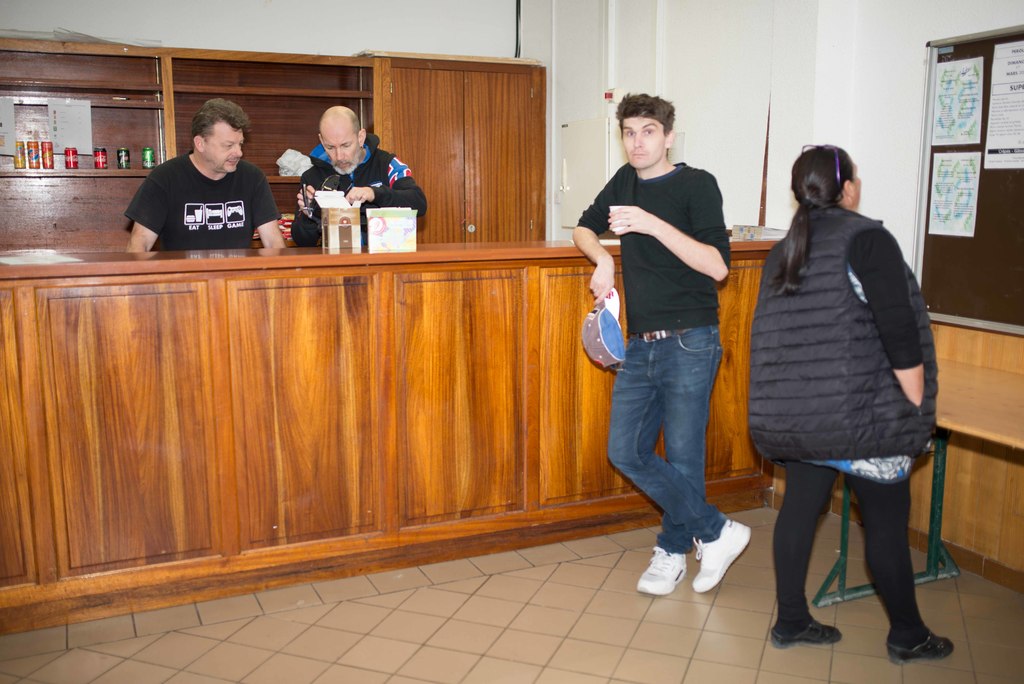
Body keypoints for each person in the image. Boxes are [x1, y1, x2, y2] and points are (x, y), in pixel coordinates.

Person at [748, 144, 954, 664]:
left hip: (801, 417)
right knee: (884, 526)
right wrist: (916, 405)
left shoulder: (783, 250)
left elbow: (773, 340)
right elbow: (899, 329)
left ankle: (791, 621)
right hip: (863, 417)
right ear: (848, 189)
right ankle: (907, 634)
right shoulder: (867, 239)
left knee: (798, 512)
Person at [573, 93, 750, 596]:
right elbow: (584, 227)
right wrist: (602, 259)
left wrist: (651, 224)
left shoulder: (697, 184)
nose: (637, 142)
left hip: (690, 339)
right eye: (629, 133)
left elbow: (717, 267)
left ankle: (673, 551)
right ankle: (715, 531)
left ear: (669, 137)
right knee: (625, 450)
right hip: (640, 344)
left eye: (648, 132)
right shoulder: (624, 181)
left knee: (684, 457)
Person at [125, 98, 285, 252]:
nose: (239, 152)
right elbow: (140, 244)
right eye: (228, 145)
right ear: (200, 143)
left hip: (236, 271)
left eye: (240, 144)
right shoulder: (164, 178)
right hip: (182, 271)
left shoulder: (253, 177)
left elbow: (273, 243)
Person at [291, 106, 427, 247]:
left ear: (360, 137)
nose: (339, 156)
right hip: (336, 259)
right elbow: (302, 242)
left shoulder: (387, 164)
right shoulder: (311, 177)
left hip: (384, 258)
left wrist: (375, 193)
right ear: (321, 140)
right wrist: (309, 216)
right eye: (330, 147)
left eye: (345, 145)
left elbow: (418, 203)